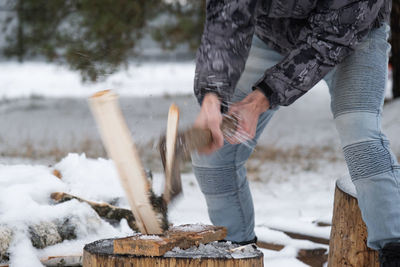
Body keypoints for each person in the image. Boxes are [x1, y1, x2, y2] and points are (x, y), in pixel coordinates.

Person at [191, 0, 398, 266]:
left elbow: (331, 39)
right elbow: (227, 17)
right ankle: (238, 253)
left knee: (360, 133)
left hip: (353, 36)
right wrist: (212, 94)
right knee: (215, 157)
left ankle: (394, 250)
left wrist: (260, 99)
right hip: (270, 37)